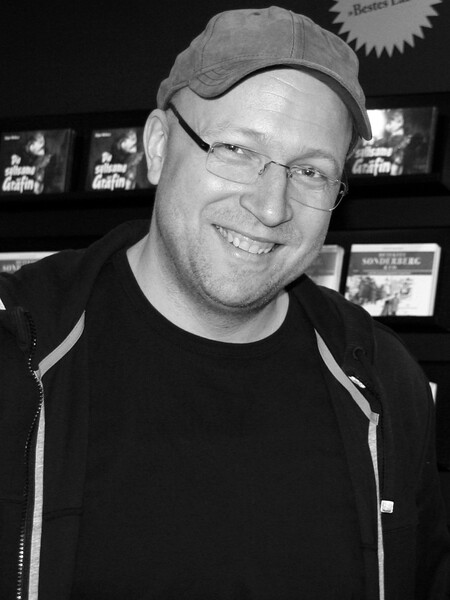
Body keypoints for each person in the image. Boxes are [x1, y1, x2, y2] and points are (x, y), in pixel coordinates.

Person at [0, 6, 449, 599]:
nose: (271, 207)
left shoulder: (384, 384)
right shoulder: (17, 356)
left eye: (311, 172)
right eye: (237, 149)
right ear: (158, 146)